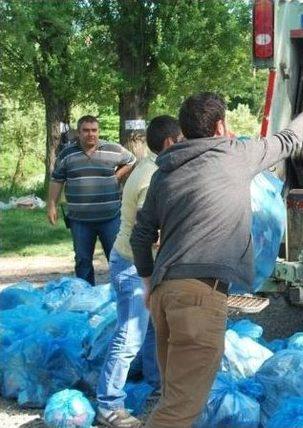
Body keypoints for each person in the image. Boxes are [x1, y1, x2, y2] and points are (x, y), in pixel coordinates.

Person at [130, 78, 303, 428]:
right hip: (199, 296)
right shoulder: (233, 156)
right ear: (221, 126)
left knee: (175, 396)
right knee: (178, 411)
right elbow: (288, 140)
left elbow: (141, 236)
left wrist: (149, 284)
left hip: (165, 294)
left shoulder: (165, 172)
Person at [96, 116, 181, 428]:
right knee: (130, 335)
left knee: (152, 328)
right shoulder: (152, 176)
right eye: (183, 139)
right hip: (133, 265)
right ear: (171, 142)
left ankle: (159, 386)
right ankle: (108, 405)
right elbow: (150, 236)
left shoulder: (149, 165)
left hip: (132, 261)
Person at [48, 115, 136, 285]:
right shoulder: (67, 154)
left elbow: (131, 160)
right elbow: (56, 179)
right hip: (79, 220)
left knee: (117, 259)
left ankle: (121, 296)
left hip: (111, 218)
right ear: (78, 133)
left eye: (94, 130)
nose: (91, 134)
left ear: (98, 131)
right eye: (86, 130)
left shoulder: (113, 149)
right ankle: (85, 297)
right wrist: (51, 205)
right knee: (83, 262)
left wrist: (118, 175)